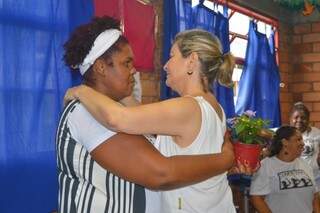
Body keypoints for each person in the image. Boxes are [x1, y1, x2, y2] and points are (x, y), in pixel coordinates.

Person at [57, 16, 235, 213]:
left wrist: (81, 90)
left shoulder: (187, 108)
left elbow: (118, 118)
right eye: (127, 63)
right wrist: (225, 160)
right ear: (100, 67)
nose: (165, 65)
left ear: (192, 61)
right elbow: (131, 114)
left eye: (172, 56)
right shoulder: (214, 107)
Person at [250, 126, 320, 213]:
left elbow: (315, 195)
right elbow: (256, 198)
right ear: (284, 142)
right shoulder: (266, 165)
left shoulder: (305, 164)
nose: (302, 143)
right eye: (298, 140)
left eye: (301, 139)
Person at [290, 102, 320, 188]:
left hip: (315, 179)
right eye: (296, 117)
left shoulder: (316, 133)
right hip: (293, 181)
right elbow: (264, 132)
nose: (299, 120)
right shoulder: (284, 133)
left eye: (303, 118)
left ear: (308, 119)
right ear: (291, 118)